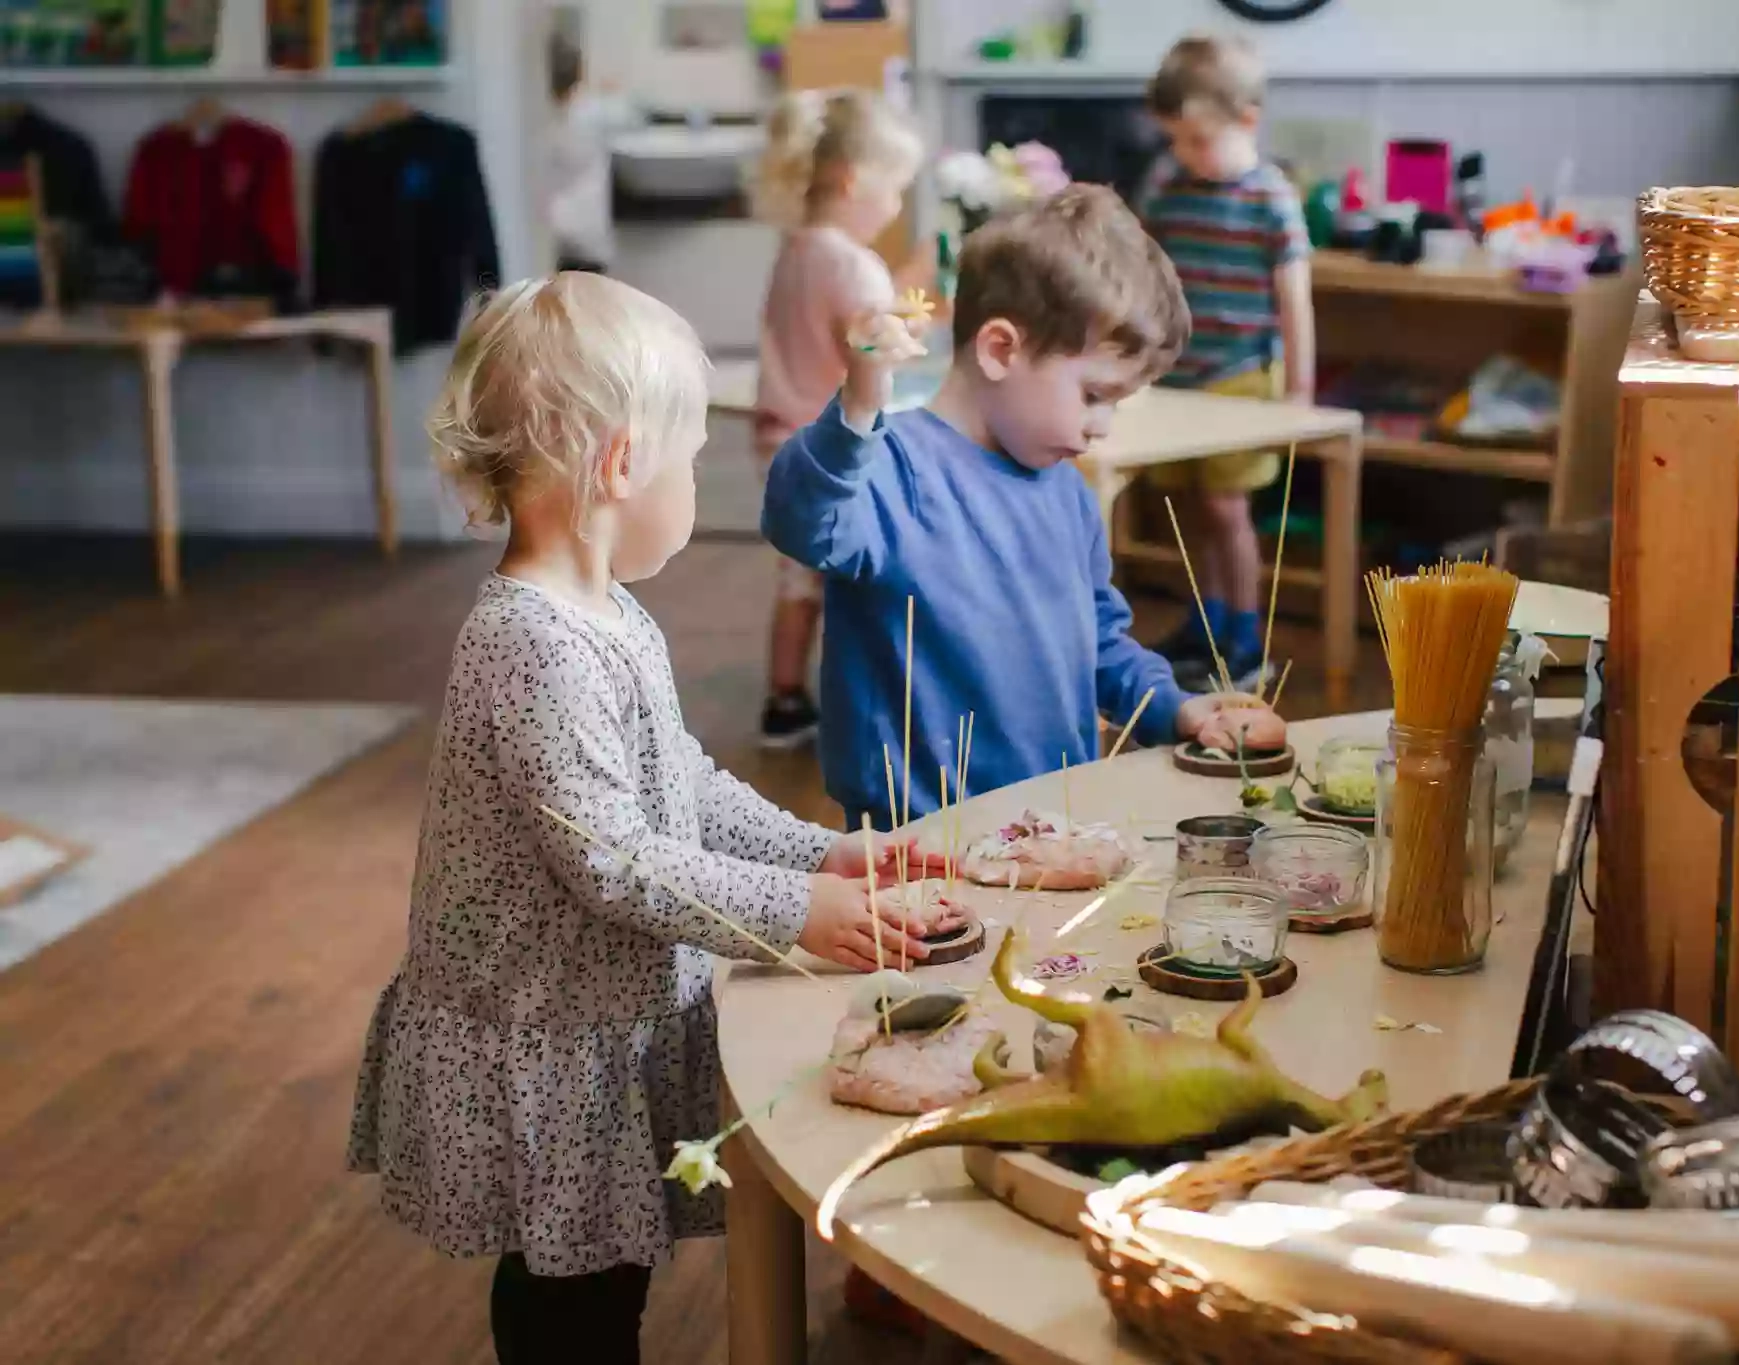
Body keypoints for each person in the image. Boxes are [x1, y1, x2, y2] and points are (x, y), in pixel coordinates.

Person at [345, 274, 937, 1365]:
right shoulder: (533, 643)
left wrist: (824, 852)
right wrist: (795, 911)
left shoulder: (609, 611)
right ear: (620, 465)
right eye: (689, 459)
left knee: (592, 1272)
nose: (695, 481)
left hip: (591, 1009)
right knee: (570, 1291)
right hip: (545, 1024)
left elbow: (688, 786)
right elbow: (612, 863)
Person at [762, 184, 1287, 832]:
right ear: (1001, 349)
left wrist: (1179, 710)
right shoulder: (889, 466)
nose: (1102, 426)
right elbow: (798, 516)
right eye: (1095, 393)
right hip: (920, 856)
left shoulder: (1069, 493)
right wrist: (860, 403)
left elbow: (1100, 646)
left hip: (1053, 835)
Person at [750, 87, 925, 749]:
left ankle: (785, 697)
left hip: (777, 436)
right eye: (896, 188)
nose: (897, 205)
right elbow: (873, 349)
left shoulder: (797, 249)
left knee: (798, 576)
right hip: (835, 446)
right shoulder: (853, 263)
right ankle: (864, 704)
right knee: (857, 576)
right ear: (855, 180)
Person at [1140, 33, 1315, 692]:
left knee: (1227, 509)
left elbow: (1294, 299)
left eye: (1198, 140)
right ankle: (1204, 622)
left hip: (1241, 374)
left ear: (1247, 120)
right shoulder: (1169, 185)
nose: (1185, 153)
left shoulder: (1270, 196)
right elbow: (1148, 271)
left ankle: (1245, 637)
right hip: (1179, 376)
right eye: (1176, 140)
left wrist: (1299, 386)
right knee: (1189, 509)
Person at [546, 33, 641, 274]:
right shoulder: (593, 111)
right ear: (579, 73)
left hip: (551, 237)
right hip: (588, 239)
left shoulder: (536, 118)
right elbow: (632, 116)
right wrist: (611, 92)